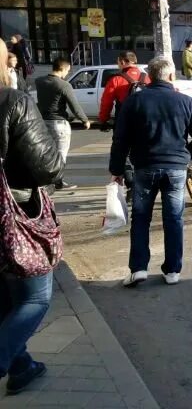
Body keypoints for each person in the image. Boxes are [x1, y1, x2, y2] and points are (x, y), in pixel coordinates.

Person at [0, 37, 65, 396]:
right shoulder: (12, 101)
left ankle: (22, 366)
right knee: (34, 298)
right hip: (14, 217)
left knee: (5, 299)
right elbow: (49, 167)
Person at [109, 57, 192, 287]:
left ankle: (139, 269)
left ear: (149, 77)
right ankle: (173, 270)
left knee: (141, 218)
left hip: (144, 167)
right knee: (174, 218)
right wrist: (186, 156)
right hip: (176, 169)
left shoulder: (134, 101)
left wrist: (117, 169)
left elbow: (120, 139)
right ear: (171, 76)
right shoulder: (186, 102)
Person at [35, 57, 91, 191]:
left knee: (47, 153)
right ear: (63, 69)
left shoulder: (39, 81)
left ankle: (47, 181)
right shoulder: (64, 85)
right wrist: (85, 120)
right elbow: (74, 106)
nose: (67, 74)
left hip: (43, 122)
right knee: (60, 154)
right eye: (67, 71)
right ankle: (58, 182)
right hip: (59, 123)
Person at [99, 51, 149, 129]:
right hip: (145, 122)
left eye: (118, 62)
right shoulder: (147, 78)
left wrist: (104, 120)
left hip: (124, 123)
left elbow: (106, 102)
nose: (118, 65)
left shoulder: (116, 79)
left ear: (122, 62)